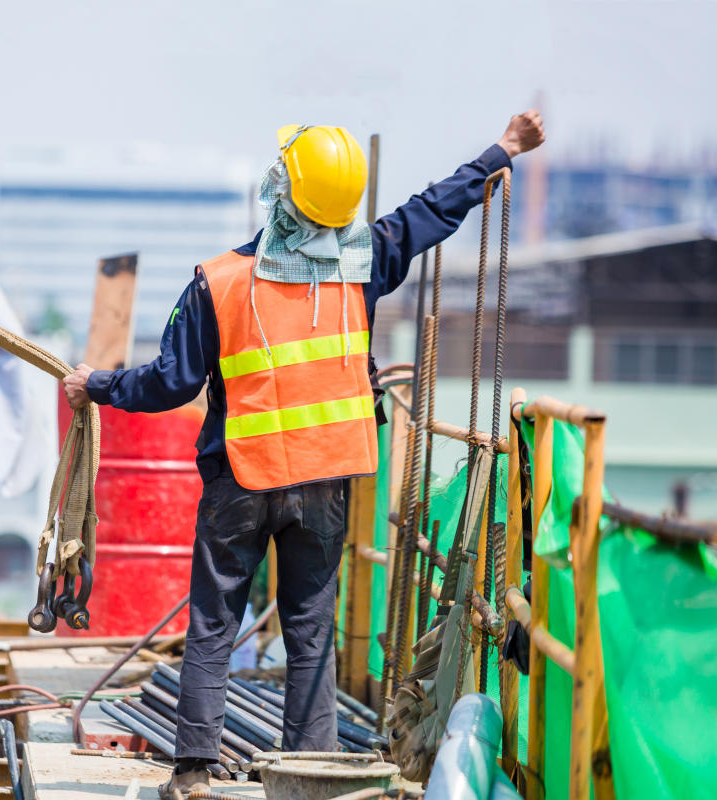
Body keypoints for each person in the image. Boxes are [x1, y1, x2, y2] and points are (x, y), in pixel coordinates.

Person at [62, 112, 546, 798]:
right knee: (311, 635)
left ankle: (194, 774)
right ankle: (311, 776)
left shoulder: (219, 282)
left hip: (240, 479)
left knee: (213, 623)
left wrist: (95, 386)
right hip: (325, 481)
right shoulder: (366, 262)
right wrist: (504, 150)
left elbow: (170, 382)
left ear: (280, 190)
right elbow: (434, 209)